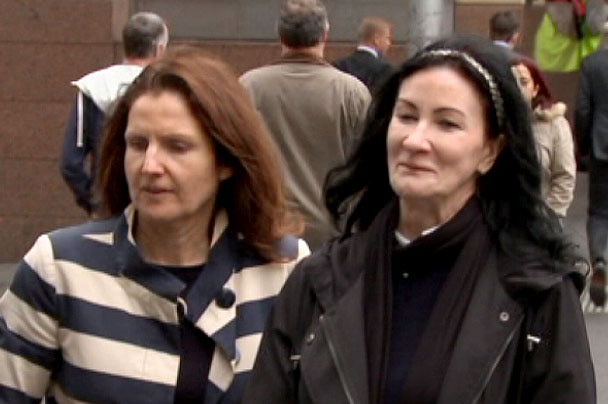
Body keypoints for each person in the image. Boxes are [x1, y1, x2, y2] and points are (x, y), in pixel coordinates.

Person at [243, 35, 595, 403]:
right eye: (407, 116)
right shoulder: (319, 281)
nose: (415, 140)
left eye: (447, 124)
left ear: (491, 151)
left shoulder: (536, 291)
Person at [0, 46, 309, 403]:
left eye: (177, 146)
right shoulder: (58, 268)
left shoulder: (286, 269)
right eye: (137, 144)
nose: (150, 165)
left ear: (225, 161)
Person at [240, 0, 371, 251]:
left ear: (280, 35)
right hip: (332, 233)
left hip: (268, 230)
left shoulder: (248, 88)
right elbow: (365, 167)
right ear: (324, 34)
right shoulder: (352, 93)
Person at [60, 12, 169, 215]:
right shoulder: (170, 87)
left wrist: (94, 200)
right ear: (158, 49)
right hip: (159, 206)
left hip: (107, 207)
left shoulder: (92, 87)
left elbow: (70, 162)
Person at [511, 56, 576, 219]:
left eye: (524, 82)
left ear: (535, 89)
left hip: (539, 221)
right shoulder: (493, 122)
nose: (518, 88)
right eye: (512, 82)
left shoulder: (554, 125)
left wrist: (548, 217)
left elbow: (565, 177)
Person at [575, 39, 608, 307]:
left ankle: (599, 260)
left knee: (599, 212)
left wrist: (583, 147)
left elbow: (583, 110)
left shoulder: (593, 64)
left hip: (602, 148)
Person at [333, 16, 396, 92]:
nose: (389, 43)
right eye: (387, 38)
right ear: (376, 39)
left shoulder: (339, 65)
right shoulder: (384, 69)